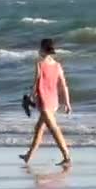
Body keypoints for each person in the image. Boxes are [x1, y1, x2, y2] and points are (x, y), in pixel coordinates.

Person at [20, 38, 72, 166]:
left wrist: (29, 97)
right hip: (53, 101)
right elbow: (63, 85)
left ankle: (66, 156)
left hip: (44, 100)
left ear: (43, 49)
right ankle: (29, 155)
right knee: (39, 128)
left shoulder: (40, 64)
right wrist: (67, 102)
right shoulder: (58, 65)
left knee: (54, 128)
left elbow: (36, 83)